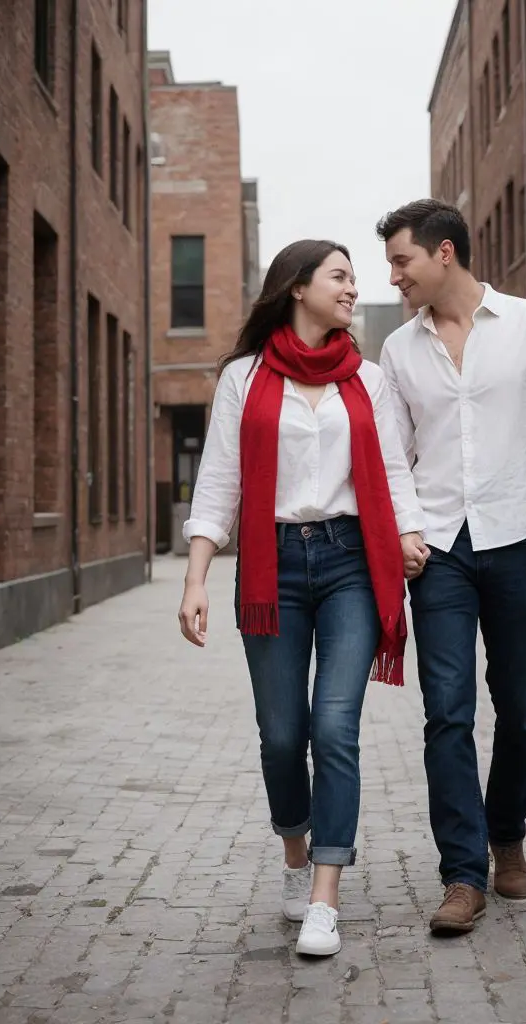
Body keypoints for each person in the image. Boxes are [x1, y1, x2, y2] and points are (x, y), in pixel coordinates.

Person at [178, 240, 427, 957]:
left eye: (354, 279)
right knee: (283, 736)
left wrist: (408, 532)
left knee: (334, 728)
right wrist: (195, 576)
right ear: (297, 289)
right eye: (341, 277)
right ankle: (294, 853)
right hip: (272, 566)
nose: (354, 289)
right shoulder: (244, 379)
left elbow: (391, 468)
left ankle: (325, 895)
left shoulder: (368, 380)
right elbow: (220, 480)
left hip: (352, 561)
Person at [376, 199, 526, 935]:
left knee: (520, 705)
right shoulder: (398, 350)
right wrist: (405, 530)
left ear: (444, 253)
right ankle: (462, 875)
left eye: (401, 260)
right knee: (446, 709)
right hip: (438, 548)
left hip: (514, 536)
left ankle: (506, 833)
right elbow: (391, 455)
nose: (394, 276)